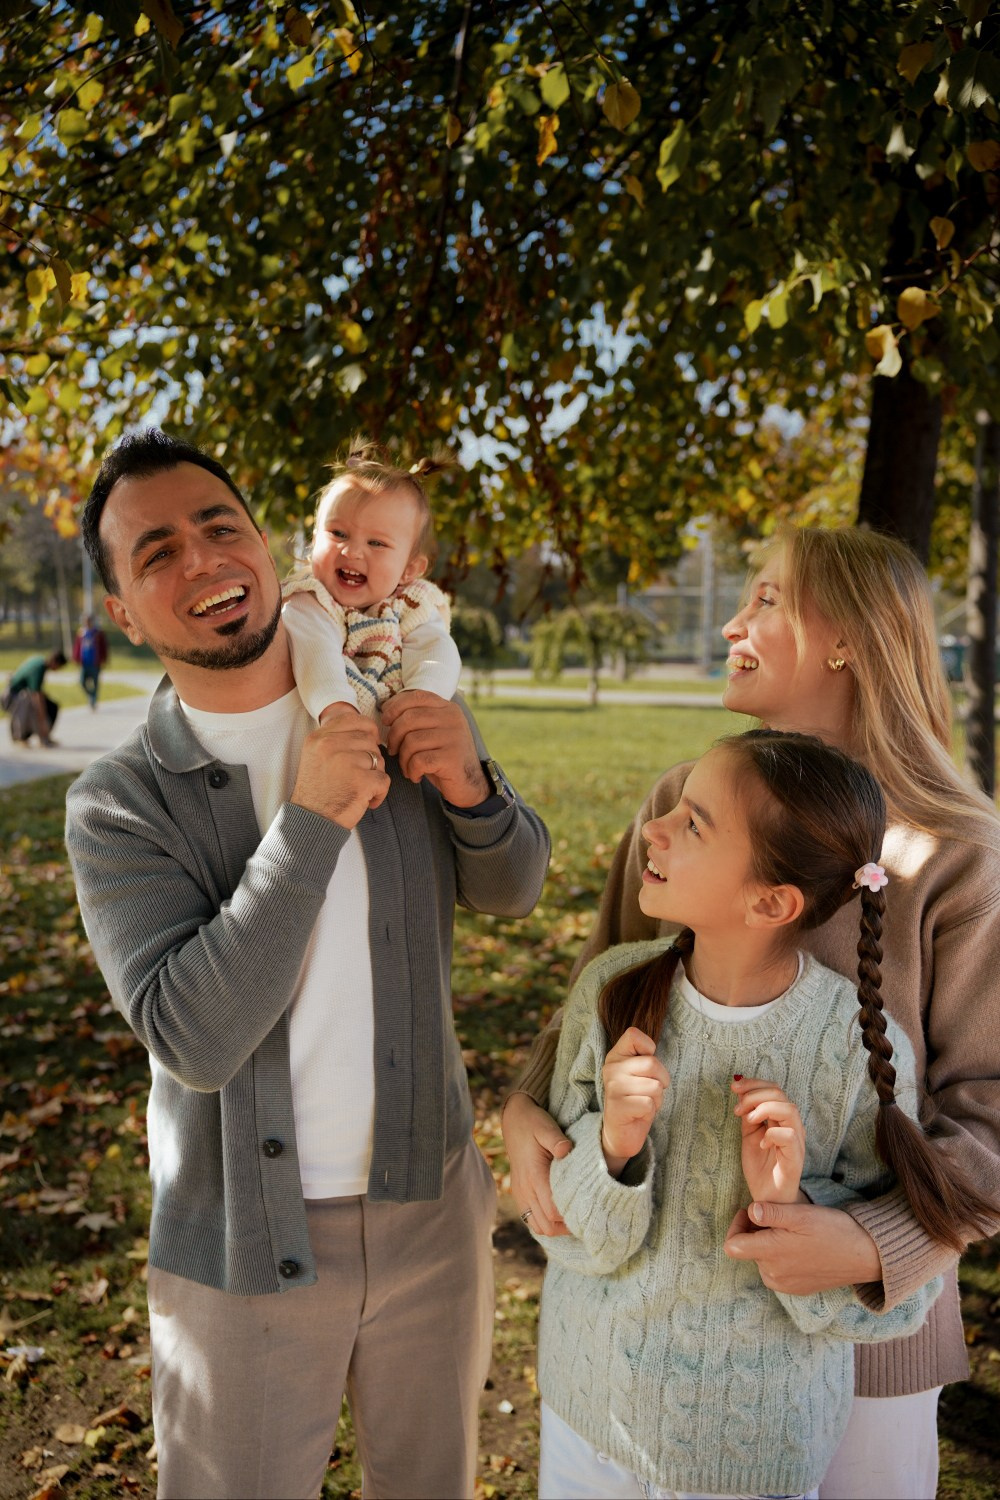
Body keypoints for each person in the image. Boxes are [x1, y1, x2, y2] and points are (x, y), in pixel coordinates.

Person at [65, 427, 550, 1500]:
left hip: (430, 1209)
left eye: (218, 526)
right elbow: (192, 1037)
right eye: (155, 554)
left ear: (264, 545)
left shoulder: (388, 701)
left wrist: (472, 788)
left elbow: (514, 888)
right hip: (242, 1242)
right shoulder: (118, 803)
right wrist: (311, 821)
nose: (201, 561)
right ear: (121, 612)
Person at [504, 524, 1000, 1500]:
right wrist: (526, 1108)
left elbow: (987, 1118)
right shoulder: (678, 803)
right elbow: (609, 998)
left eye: (766, 599)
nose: (732, 620)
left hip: (866, 1350)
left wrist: (870, 1246)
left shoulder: (956, 855)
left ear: (848, 638)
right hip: (651, 1351)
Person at [282, 439, 461, 728]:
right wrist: (337, 711)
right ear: (314, 540)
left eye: (376, 543)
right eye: (338, 533)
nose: (352, 551)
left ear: (409, 569)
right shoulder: (308, 600)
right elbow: (316, 654)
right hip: (337, 732)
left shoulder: (414, 602)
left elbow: (436, 650)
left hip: (401, 731)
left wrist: (423, 697)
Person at [5, 648, 66, 745]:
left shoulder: (40, 660)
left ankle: (45, 736)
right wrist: (42, 716)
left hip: (23, 692)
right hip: (14, 695)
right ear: (55, 662)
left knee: (52, 707)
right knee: (33, 709)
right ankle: (22, 737)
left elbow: (36, 688)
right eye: (59, 667)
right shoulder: (39, 669)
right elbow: (36, 696)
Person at [72, 613, 108, 709]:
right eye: (85, 621)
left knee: (95, 683)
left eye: (89, 621)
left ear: (92, 621)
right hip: (84, 663)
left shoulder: (98, 633)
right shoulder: (81, 633)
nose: (87, 623)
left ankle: (93, 700)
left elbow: (104, 647)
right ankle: (92, 696)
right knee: (82, 682)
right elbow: (77, 647)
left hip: (95, 663)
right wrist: (75, 658)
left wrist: (104, 659)